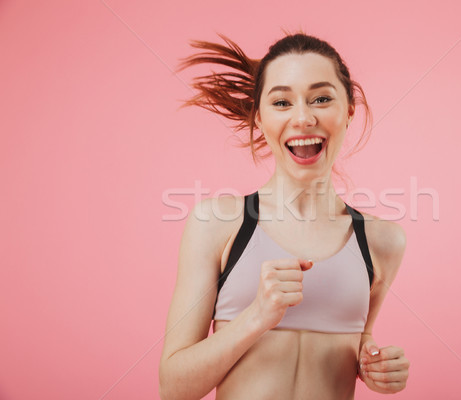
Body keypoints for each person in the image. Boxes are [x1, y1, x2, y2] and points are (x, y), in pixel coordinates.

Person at [158, 31, 410, 400]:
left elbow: (359, 338)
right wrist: (258, 315)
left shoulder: (383, 241)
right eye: (281, 103)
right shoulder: (217, 224)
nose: (303, 117)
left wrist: (375, 365)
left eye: (321, 98)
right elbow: (173, 388)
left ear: (349, 110)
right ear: (259, 118)